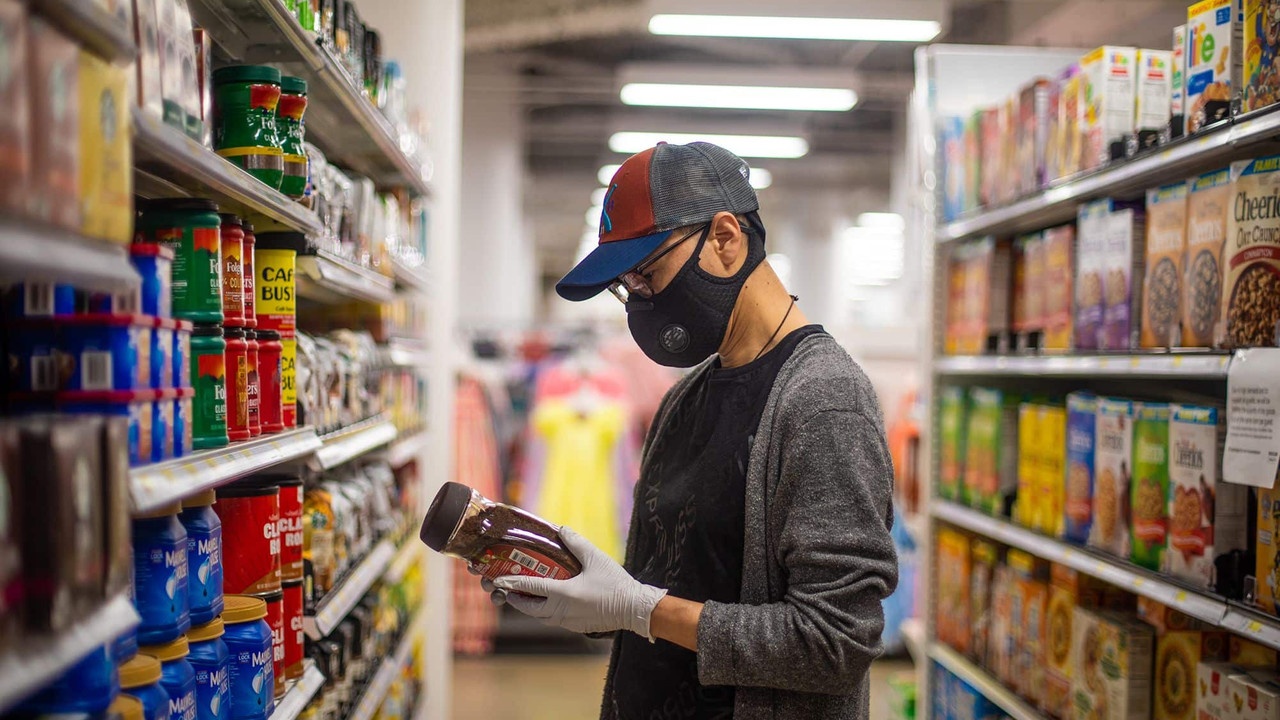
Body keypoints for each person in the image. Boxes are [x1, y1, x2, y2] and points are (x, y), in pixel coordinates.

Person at [481, 141, 898, 719]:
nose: (640, 302)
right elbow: (673, 586)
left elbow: (834, 643)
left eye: (646, 275)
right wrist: (586, 595)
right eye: (626, 287)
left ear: (725, 239)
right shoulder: (684, 398)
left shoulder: (823, 402)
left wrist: (639, 609)